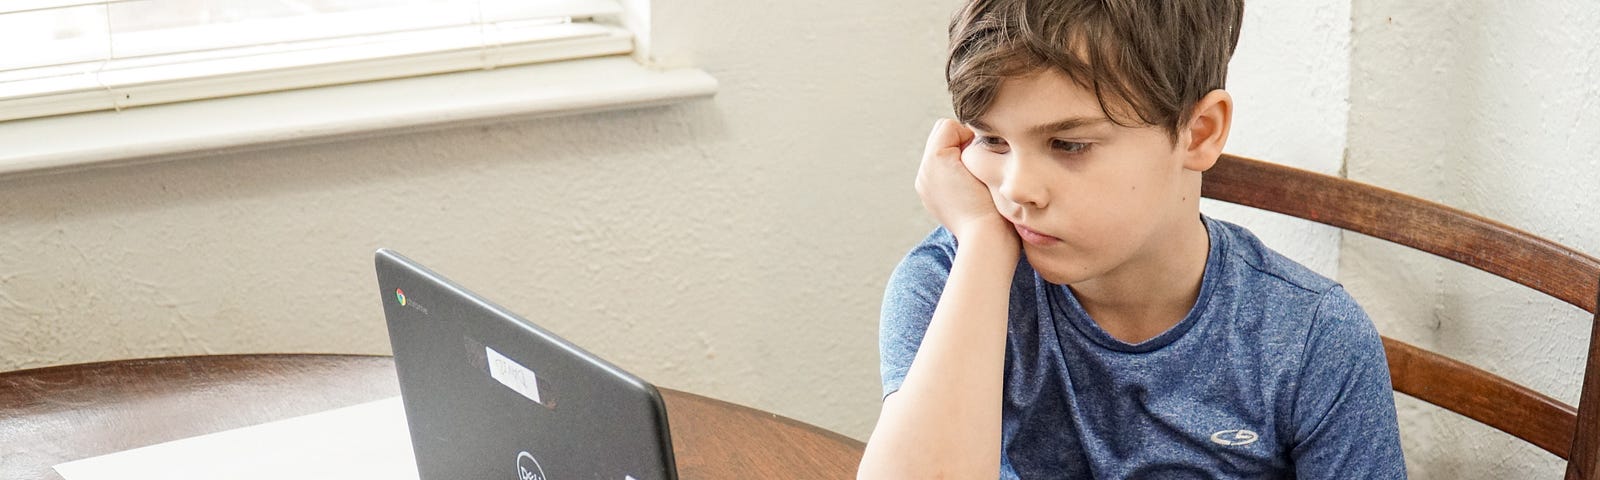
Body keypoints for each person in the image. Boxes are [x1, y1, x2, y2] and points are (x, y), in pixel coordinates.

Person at [856, 0, 1406, 478]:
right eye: (991, 140)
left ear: (1200, 132)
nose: (1018, 189)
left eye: (1068, 144)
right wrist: (981, 242)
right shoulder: (948, 283)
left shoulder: (1310, 341)